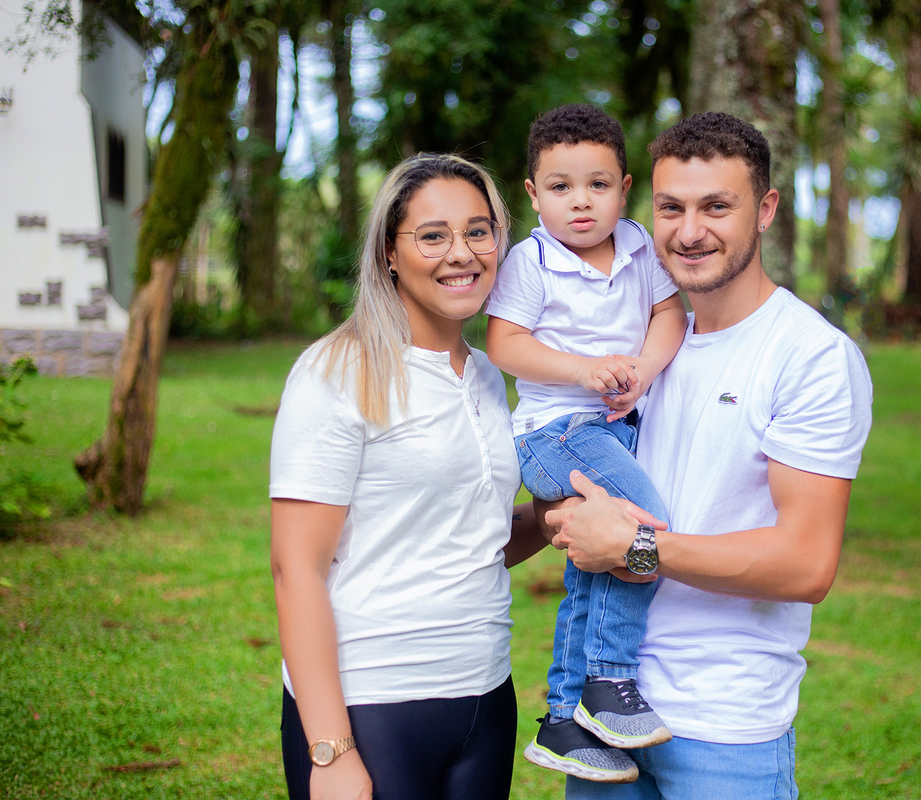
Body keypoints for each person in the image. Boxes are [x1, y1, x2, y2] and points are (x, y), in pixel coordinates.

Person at [544, 112, 874, 800]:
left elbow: (807, 562)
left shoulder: (810, 357)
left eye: (716, 206)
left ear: (766, 210)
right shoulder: (642, 347)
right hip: (606, 716)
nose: (689, 232)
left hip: (725, 724)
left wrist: (630, 546)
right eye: (671, 208)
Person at [269, 153, 549, 800]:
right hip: (375, 701)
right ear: (390, 253)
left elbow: (468, 535)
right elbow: (295, 567)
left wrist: (554, 516)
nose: (462, 252)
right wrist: (330, 749)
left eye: (479, 231)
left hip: (484, 696)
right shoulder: (337, 371)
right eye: (433, 235)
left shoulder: (485, 374)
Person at [486, 104, 688, 784]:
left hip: (616, 426)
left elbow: (669, 314)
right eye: (562, 187)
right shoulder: (530, 259)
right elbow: (505, 344)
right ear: (533, 193)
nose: (581, 202)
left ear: (624, 187)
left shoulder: (638, 247)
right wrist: (584, 369)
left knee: (595, 564)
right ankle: (609, 680)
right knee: (641, 526)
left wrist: (645, 371)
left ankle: (566, 721)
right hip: (556, 433)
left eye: (597, 185)